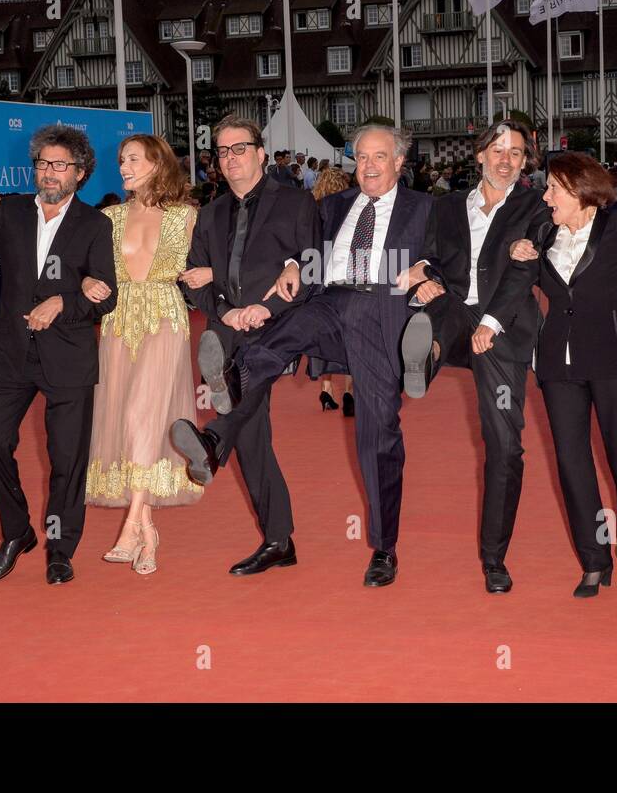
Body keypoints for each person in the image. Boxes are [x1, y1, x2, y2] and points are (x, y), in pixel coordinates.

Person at [170, 123, 434, 587]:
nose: (368, 166)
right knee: (279, 338)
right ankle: (219, 429)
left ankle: (384, 548)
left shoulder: (427, 207)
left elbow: (448, 255)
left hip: (381, 313)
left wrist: (427, 271)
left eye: (379, 157)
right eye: (361, 157)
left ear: (398, 162)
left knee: (378, 438)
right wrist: (295, 266)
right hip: (330, 303)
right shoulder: (332, 206)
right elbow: (306, 253)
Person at [0, 125, 118, 585]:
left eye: (59, 165)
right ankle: (17, 533)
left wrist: (64, 303)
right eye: (42, 164)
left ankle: (60, 546)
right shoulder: (10, 212)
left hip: (68, 356)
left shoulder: (95, 224)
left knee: (67, 459)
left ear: (81, 171)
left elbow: (105, 295)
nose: (49, 173)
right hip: (11, 353)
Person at [482, 153, 617, 597]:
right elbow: (515, 281)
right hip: (558, 366)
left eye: (553, 188)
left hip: (615, 362)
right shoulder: (542, 231)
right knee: (572, 466)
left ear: (580, 190)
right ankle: (593, 560)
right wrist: (514, 255)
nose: (545, 195)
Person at [397, 120, 549, 594]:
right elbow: (428, 256)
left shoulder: (533, 207)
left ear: (525, 163)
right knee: (438, 310)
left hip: (502, 331)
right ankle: (425, 357)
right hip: (455, 313)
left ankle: (494, 557)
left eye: (517, 153)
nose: (506, 160)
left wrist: (492, 322)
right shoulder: (445, 207)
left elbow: (525, 270)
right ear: (479, 155)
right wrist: (421, 272)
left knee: (504, 445)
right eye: (498, 150)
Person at [177, 115, 322, 576]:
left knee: (246, 383)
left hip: (275, 326)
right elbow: (192, 280)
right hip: (224, 328)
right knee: (253, 434)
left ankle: (213, 442)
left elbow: (311, 266)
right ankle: (279, 539)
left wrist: (263, 308)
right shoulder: (211, 213)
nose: (230, 159)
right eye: (222, 152)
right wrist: (225, 310)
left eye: (239, 149)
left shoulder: (296, 203)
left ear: (261, 152)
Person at [75, 134, 204, 576]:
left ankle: (130, 526)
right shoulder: (106, 217)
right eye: (121, 160)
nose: (124, 167)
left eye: (132, 159)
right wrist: (84, 285)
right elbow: (79, 269)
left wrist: (209, 273)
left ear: (157, 162)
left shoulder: (185, 216)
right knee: (127, 419)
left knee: (140, 415)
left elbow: (219, 259)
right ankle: (147, 529)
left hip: (164, 317)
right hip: (117, 321)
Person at [307, 166, 355, 415]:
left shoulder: (314, 208)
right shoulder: (349, 209)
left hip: (318, 276)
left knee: (322, 336)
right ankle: (349, 391)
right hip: (344, 275)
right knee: (348, 336)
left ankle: (326, 390)